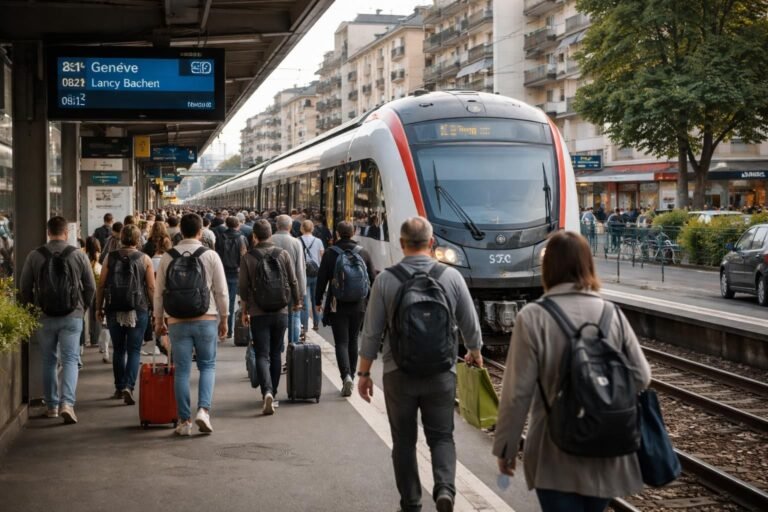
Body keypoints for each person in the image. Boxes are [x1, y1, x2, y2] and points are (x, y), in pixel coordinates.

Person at [493, 231, 651, 512]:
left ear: (548, 268)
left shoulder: (533, 317)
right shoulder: (611, 313)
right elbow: (642, 376)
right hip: (605, 450)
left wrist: (507, 448)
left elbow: (517, 393)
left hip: (554, 453)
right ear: (587, 264)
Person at [357, 217, 483, 512]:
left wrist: (363, 374)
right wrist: (475, 352)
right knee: (441, 436)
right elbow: (470, 324)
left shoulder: (386, 279)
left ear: (402, 244)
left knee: (404, 442)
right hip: (441, 372)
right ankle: (444, 489)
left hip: (397, 373)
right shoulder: (450, 277)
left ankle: (411, 503)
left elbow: (371, 333)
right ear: (431, 242)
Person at [154, 213, 229, 436]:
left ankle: (184, 421)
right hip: (206, 318)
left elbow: (158, 293)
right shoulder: (211, 256)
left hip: (176, 321)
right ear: (200, 232)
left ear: (180, 232)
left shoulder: (168, 257)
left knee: (182, 371)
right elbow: (221, 291)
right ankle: (203, 411)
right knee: (207, 365)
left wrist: (159, 321)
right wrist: (224, 318)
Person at [19, 216, 96, 424]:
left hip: (44, 316)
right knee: (70, 359)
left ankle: (52, 406)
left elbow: (24, 287)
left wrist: (32, 310)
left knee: (49, 360)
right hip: (72, 316)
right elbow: (91, 287)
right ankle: (67, 404)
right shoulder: (78, 255)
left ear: (48, 232)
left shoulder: (35, 256)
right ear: (66, 233)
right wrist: (82, 307)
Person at [239, 220, 301, 415]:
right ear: (271, 234)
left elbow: (243, 287)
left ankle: (266, 391)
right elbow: (292, 280)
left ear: (254, 237)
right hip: (281, 311)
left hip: (258, 313)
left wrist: (244, 310)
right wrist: (297, 301)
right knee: (276, 353)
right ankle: (273, 393)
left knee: (262, 354)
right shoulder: (283, 254)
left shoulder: (248, 257)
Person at [95, 225, 155, 405]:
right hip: (139, 308)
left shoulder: (110, 257)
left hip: (114, 307)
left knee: (118, 349)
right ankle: (130, 385)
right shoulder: (145, 259)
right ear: (138, 240)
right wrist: (155, 310)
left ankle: (119, 387)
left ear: (121, 239)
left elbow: (101, 285)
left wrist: (99, 307)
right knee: (134, 349)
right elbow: (151, 287)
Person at [315, 220, 375, 396]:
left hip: (337, 304)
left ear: (337, 233)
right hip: (359, 304)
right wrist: (369, 301)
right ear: (354, 231)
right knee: (354, 340)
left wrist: (317, 301)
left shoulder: (330, 253)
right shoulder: (363, 252)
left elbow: (321, 280)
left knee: (341, 342)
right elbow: (372, 278)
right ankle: (352, 376)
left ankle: (345, 376)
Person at [271, 215, 306, 345]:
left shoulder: (269, 240)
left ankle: (278, 349)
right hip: (291, 288)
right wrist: (301, 293)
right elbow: (300, 270)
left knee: (276, 320)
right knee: (294, 320)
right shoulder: (296, 243)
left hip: (272, 288)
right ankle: (293, 353)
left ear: (276, 226)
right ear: (290, 226)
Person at [215, 216, 247, 339]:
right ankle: (228, 329)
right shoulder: (242, 238)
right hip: (235, 273)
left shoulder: (220, 237)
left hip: (221, 272)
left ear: (226, 225)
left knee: (220, 299)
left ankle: (220, 326)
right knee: (231, 301)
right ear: (238, 225)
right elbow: (244, 256)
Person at [299, 219, 323, 333]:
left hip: (303, 272)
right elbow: (322, 257)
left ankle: (304, 326)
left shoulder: (298, 240)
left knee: (304, 300)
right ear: (312, 228)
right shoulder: (318, 241)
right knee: (315, 298)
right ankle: (316, 323)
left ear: (302, 228)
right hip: (316, 272)